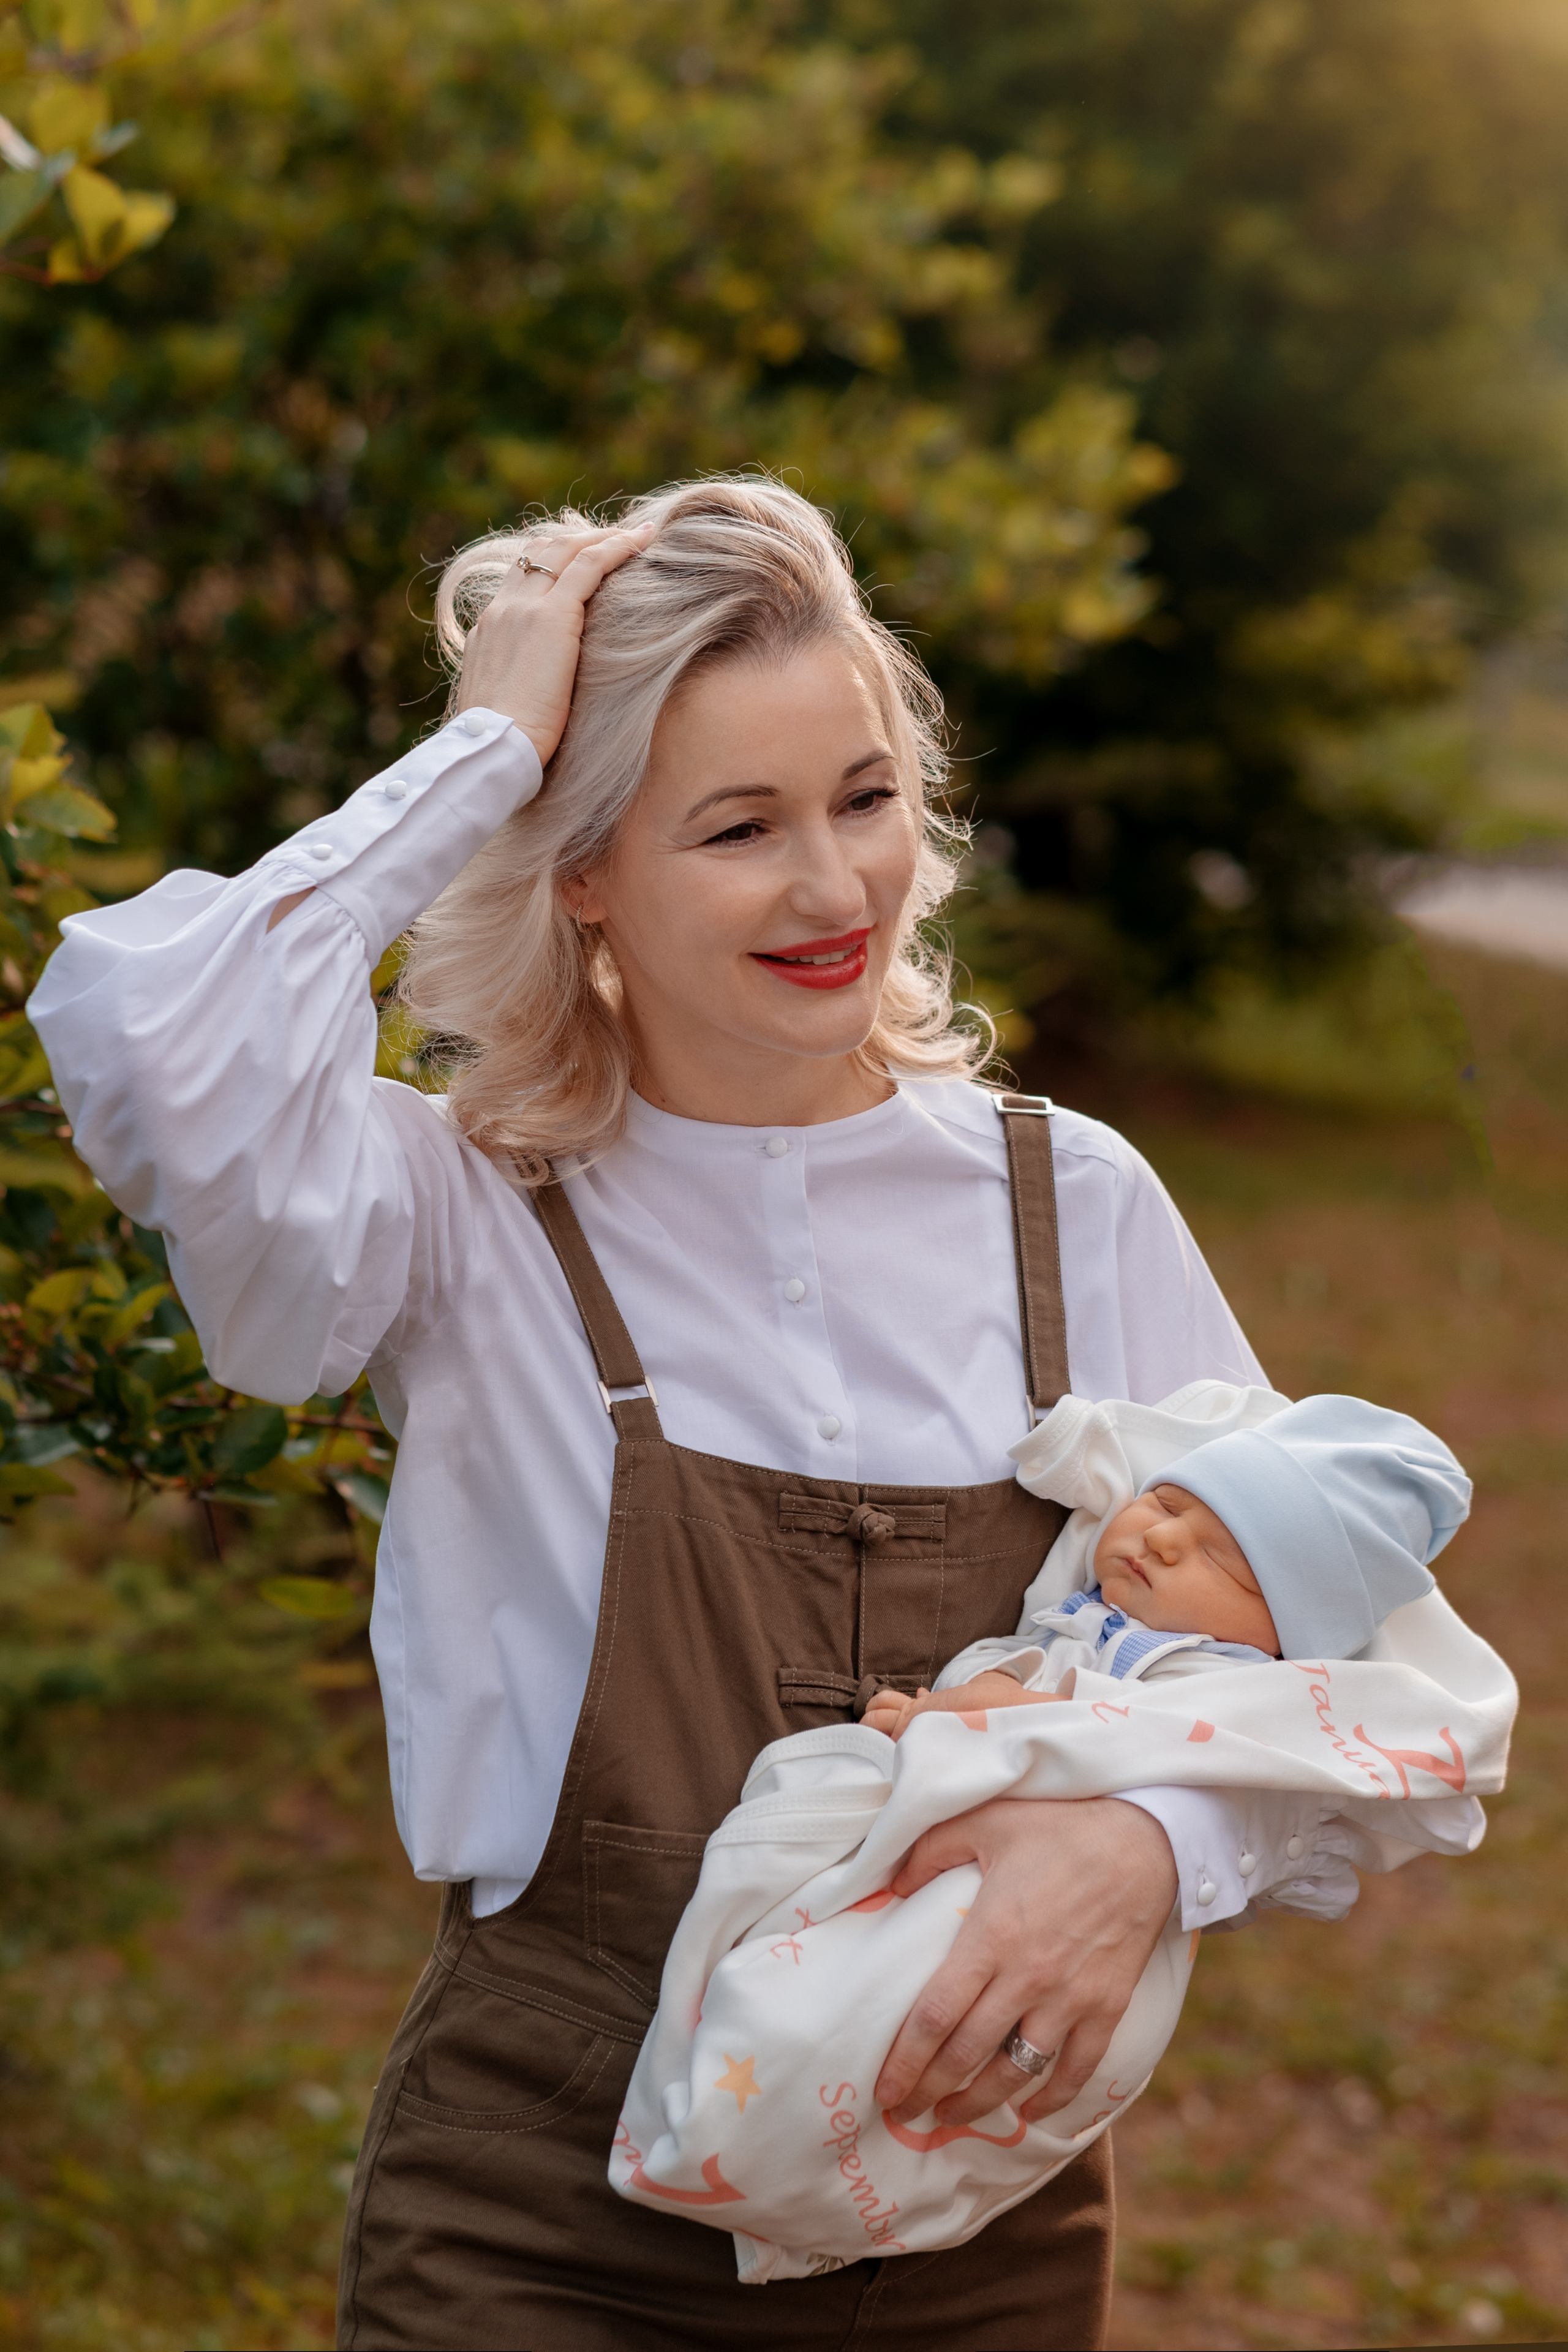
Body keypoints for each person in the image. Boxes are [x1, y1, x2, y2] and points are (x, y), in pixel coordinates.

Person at [26, 475, 1449, 2350]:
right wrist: (477, 758)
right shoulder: (457, 1212)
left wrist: (1144, 1849)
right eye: (736, 826)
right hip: (541, 2215)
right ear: (586, 866)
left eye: (864, 801)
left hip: (973, 2214)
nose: (830, 886)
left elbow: (1358, 1661)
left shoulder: (1068, 1202)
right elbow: (149, 1055)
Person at [614, 1382, 1504, 2284]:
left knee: (897, 2025)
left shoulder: (1223, 1682)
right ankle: (764, 2148)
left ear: (1284, 1639)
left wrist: (976, 1710)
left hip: (1040, 1907)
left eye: (1225, 1562)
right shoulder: (1096, 1614)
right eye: (1165, 1502)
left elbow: (1129, 1736)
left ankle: (773, 2151)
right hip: (966, 1851)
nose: (1160, 1537)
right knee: (831, 1984)